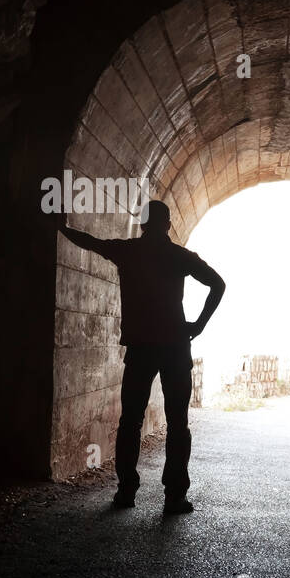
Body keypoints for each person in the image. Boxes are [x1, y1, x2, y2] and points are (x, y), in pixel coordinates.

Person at [58, 200, 225, 513]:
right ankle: (174, 496)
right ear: (168, 224)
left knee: (130, 420)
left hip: (140, 348)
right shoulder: (179, 256)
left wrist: (63, 227)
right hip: (176, 347)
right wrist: (199, 325)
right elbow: (218, 284)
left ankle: (126, 491)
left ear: (143, 222)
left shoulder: (128, 250)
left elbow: (91, 242)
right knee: (178, 423)